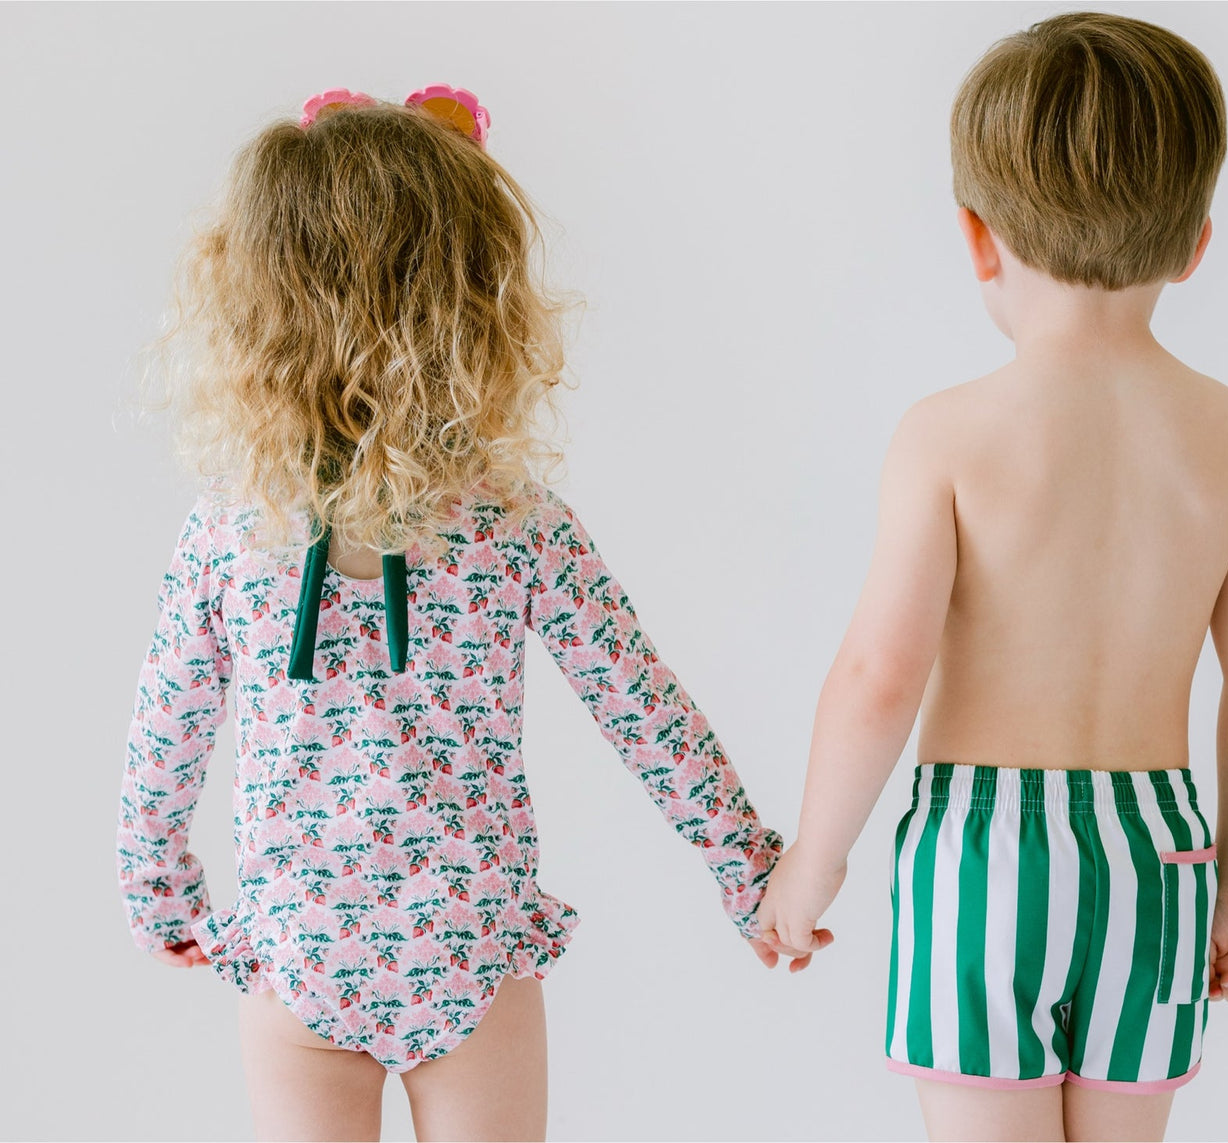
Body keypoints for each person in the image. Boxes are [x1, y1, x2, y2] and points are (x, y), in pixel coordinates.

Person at [116, 84, 793, 1142]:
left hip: (299, 956)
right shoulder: (514, 523)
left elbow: (168, 730)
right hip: (471, 958)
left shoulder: (229, 531)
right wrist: (746, 866)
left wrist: (156, 888)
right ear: (473, 304)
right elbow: (640, 706)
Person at [756, 15, 1228, 1141]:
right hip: (1157, 855)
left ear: (977, 237)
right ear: (1197, 242)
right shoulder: (1226, 433)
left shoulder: (949, 434)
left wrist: (812, 863)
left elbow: (877, 673)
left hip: (983, 855)